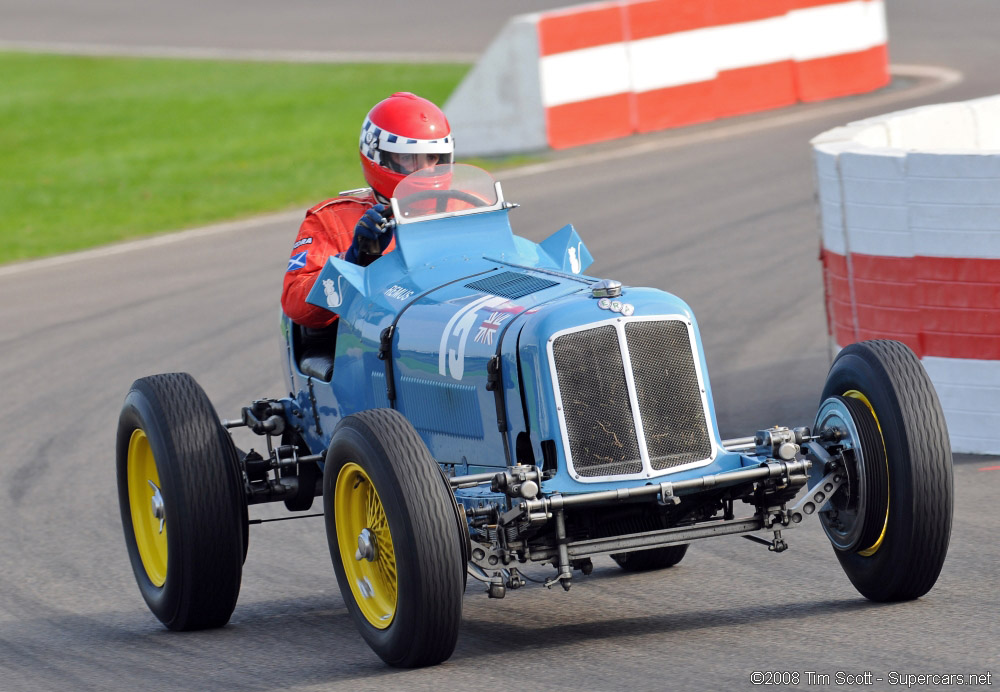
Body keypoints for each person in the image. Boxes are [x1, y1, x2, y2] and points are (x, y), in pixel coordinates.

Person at [281, 92, 454, 329]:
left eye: (432, 157)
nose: (425, 170)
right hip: (369, 347)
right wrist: (354, 260)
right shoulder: (331, 220)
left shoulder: (466, 207)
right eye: (408, 158)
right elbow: (296, 306)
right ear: (378, 156)